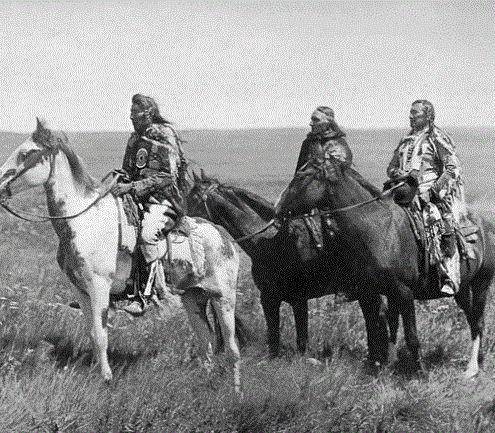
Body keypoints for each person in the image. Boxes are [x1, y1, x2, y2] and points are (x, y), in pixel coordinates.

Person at [112, 94, 187, 314]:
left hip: (164, 199)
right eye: (130, 114)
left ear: (149, 113)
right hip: (136, 197)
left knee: (147, 235)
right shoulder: (134, 138)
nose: (132, 118)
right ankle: (118, 289)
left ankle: (145, 296)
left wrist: (133, 187)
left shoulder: (165, 135)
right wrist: (119, 180)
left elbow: (168, 176)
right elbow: (128, 169)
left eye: (136, 113)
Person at [386, 99, 466, 295]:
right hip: (402, 188)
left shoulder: (437, 138)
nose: (411, 116)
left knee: (437, 222)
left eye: (416, 113)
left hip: (430, 191)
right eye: (411, 113)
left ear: (428, 116)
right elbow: (391, 167)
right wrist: (399, 174)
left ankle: (448, 275)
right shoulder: (406, 140)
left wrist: (433, 191)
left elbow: (452, 168)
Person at [295, 106, 353, 304]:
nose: (311, 123)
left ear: (327, 121)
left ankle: (344, 282)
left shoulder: (338, 144)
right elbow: (299, 172)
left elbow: (340, 174)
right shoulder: (308, 144)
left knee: (335, 232)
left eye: (315, 120)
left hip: (333, 201)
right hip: (308, 197)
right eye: (311, 120)